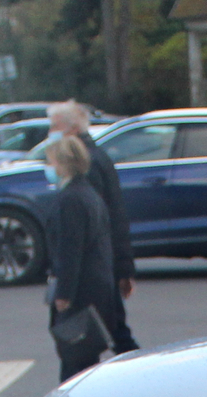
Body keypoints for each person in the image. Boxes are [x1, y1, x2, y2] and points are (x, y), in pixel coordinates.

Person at [48, 102, 137, 355]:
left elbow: (78, 238)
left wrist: (65, 290)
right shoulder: (99, 157)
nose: (51, 132)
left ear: (72, 130)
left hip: (90, 276)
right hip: (103, 270)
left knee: (99, 341)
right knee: (114, 334)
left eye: (55, 126)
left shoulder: (83, 171)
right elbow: (116, 217)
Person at [41, 133, 118, 381]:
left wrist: (64, 293)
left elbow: (69, 250)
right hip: (96, 288)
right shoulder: (88, 194)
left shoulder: (70, 200)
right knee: (86, 361)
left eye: (51, 162)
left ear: (63, 164)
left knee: (74, 363)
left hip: (79, 293)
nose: (48, 168)